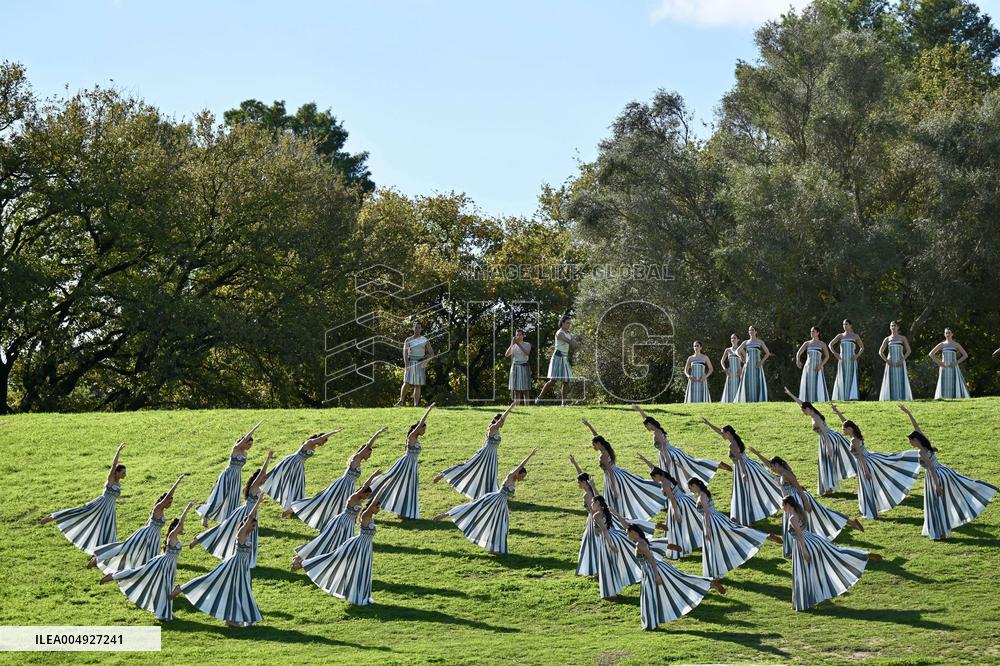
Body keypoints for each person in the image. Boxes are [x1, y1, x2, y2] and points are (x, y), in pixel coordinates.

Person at [899, 405, 997, 540]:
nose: (909, 443)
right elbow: (917, 428)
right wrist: (908, 413)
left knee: (936, 505)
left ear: (915, 440)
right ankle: (942, 531)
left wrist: (937, 485)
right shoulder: (925, 443)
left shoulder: (922, 451)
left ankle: (941, 533)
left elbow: (931, 469)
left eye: (910, 440)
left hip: (936, 476)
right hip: (944, 471)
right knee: (957, 489)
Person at [747, 448, 862, 557]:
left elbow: (798, 487)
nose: (772, 469)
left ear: (777, 465)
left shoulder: (787, 474)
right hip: (791, 500)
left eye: (773, 467)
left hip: (799, 499)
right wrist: (756, 453)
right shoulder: (781, 473)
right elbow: (768, 463)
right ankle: (850, 522)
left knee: (822, 514)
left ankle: (850, 522)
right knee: (819, 514)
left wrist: (806, 502)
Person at [100, 501, 195, 621]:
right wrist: (187, 508)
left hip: (170, 567)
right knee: (138, 573)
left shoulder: (175, 539)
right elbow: (180, 523)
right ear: (176, 529)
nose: (183, 528)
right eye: (181, 527)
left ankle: (166, 612)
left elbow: (180, 526)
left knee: (165, 588)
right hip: (161, 564)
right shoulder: (172, 536)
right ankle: (113, 576)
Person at [180, 495, 265, 627]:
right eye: (253, 526)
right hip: (234, 565)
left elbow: (251, 520)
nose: (254, 528)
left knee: (238, 591)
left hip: (242, 568)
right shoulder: (241, 533)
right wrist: (258, 503)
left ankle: (230, 619)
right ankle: (182, 588)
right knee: (211, 580)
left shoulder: (248, 535)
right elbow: (249, 517)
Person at [784, 495, 880, 611]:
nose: (782, 507)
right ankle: (862, 555)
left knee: (804, 573)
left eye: (783, 505)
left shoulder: (792, 518)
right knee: (835, 553)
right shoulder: (800, 512)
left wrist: (804, 551)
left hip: (804, 544)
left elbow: (799, 535)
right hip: (814, 540)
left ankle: (806, 602)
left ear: (788, 505)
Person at [433, 449, 538, 554]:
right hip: (494, 500)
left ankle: (494, 548)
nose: (522, 479)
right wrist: (530, 455)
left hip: (501, 506)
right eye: (522, 476)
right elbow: (521, 465)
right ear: (518, 473)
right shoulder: (511, 476)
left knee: (499, 526)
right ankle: (445, 514)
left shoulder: (514, 481)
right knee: (472, 508)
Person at [830, 404, 920, 519]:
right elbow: (846, 422)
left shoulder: (854, 441)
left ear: (850, 429)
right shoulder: (856, 436)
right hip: (868, 460)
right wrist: (837, 411)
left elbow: (861, 457)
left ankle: (870, 512)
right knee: (867, 486)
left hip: (865, 463)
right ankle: (868, 510)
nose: (843, 431)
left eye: (844, 429)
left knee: (866, 486)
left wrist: (865, 471)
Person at [625, 523, 721, 631]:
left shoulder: (639, 544)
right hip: (653, 569)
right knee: (680, 580)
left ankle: (650, 625)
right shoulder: (642, 541)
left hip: (651, 571)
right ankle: (709, 582)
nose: (626, 535)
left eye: (627, 533)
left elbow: (651, 558)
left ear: (633, 532)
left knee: (651, 595)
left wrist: (656, 576)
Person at [190, 450, 273, 568]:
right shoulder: (254, 486)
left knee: (249, 536)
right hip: (244, 513)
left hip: (252, 514)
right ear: (258, 478)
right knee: (224, 529)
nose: (265, 479)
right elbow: (262, 473)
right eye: (263, 477)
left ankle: (246, 561)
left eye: (265, 478)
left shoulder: (258, 488)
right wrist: (268, 459)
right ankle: (199, 539)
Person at [288, 428, 385, 528]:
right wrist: (377, 433)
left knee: (341, 507)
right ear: (364, 452)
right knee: (324, 500)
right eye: (369, 453)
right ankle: (295, 508)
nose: (369, 456)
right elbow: (368, 444)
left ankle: (335, 526)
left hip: (349, 487)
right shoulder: (356, 458)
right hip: (342, 485)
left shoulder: (359, 463)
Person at [42, 442, 127, 555]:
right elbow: (113, 465)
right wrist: (118, 452)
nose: (125, 475)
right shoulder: (110, 479)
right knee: (80, 512)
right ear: (116, 473)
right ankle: (53, 517)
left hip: (110, 509)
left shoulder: (119, 484)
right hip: (100, 504)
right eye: (123, 472)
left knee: (107, 529)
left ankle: (104, 553)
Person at [88, 475, 184, 575]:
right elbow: (168, 496)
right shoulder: (158, 507)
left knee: (149, 560)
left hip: (154, 538)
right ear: (165, 501)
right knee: (125, 548)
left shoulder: (161, 510)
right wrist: (177, 482)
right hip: (146, 534)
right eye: (169, 501)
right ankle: (97, 559)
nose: (170, 504)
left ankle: (136, 577)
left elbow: (149, 522)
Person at [301, 493, 384, 605]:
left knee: (364, 570)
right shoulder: (365, 515)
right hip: (359, 546)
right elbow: (371, 503)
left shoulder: (371, 519)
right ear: (372, 507)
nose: (379, 509)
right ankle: (305, 563)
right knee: (353, 566)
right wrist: (381, 488)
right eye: (377, 507)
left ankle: (362, 595)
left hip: (366, 548)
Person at [700, 418, 782, 525]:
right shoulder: (734, 439)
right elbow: (719, 432)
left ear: (728, 433)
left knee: (745, 493)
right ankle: (748, 516)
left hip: (743, 467)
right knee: (751, 490)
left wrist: (743, 473)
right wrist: (709, 424)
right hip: (746, 466)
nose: (722, 435)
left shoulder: (732, 444)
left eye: (724, 433)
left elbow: (740, 459)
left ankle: (747, 517)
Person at [291, 476, 379, 571]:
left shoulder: (359, 502)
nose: (367, 497)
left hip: (348, 526)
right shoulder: (353, 497)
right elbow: (365, 486)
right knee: (325, 541)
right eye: (366, 495)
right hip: (340, 523)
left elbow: (356, 516)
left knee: (341, 547)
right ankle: (300, 559)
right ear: (362, 492)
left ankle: (332, 566)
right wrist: (374, 475)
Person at [688, 478, 768, 584]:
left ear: (695, 485)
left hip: (712, 522)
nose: (690, 490)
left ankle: (714, 575)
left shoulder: (702, 496)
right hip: (715, 519)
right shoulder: (703, 494)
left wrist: (707, 530)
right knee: (716, 545)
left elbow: (707, 513)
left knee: (714, 546)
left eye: (690, 488)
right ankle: (714, 574)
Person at [583, 418, 665, 521]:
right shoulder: (606, 448)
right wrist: (589, 426)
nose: (593, 446)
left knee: (615, 501)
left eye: (594, 444)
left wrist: (613, 489)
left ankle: (618, 520)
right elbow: (597, 437)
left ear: (599, 444)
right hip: (619, 474)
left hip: (613, 478)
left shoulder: (603, 456)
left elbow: (610, 472)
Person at [784, 387, 857, 497]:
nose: (803, 413)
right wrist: (790, 394)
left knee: (826, 463)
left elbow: (825, 433)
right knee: (826, 463)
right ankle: (828, 488)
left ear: (808, 409)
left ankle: (828, 489)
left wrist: (828, 447)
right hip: (826, 439)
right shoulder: (812, 413)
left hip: (829, 439)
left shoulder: (816, 418)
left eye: (804, 410)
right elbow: (801, 403)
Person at [633, 404, 729, 485]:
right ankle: (716, 465)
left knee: (675, 473)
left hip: (668, 454)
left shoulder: (656, 433)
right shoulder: (656, 429)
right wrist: (640, 410)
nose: (646, 428)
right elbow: (647, 419)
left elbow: (662, 445)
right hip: (672, 451)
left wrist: (666, 459)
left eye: (646, 426)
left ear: (650, 424)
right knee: (691, 464)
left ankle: (714, 466)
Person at [434, 404, 514, 499]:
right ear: (497, 420)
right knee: (467, 466)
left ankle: (489, 494)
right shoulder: (492, 428)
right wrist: (510, 408)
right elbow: (501, 420)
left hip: (492, 455)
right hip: (485, 454)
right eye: (502, 421)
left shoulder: (497, 429)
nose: (503, 423)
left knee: (490, 474)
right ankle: (443, 474)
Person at [369, 404, 434, 519]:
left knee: (407, 487)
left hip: (412, 466)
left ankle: (402, 512)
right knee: (391, 481)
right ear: (418, 428)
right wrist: (428, 410)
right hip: (405, 464)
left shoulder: (416, 439)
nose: (424, 430)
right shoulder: (412, 437)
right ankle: (372, 500)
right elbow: (420, 423)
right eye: (423, 428)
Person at [635, 454, 704, 560]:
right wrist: (645, 459)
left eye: (653, 478)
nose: (653, 480)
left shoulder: (665, 484)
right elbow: (654, 468)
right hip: (685, 500)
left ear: (657, 476)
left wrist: (676, 513)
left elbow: (672, 499)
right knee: (692, 523)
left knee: (676, 528)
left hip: (677, 504)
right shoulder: (665, 477)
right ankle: (693, 543)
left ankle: (679, 549)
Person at [197, 422, 260, 527]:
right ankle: (205, 516)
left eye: (251, 445)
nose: (249, 447)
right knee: (219, 498)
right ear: (244, 442)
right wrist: (254, 429)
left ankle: (229, 521)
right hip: (228, 475)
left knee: (233, 499)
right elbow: (244, 439)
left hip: (237, 477)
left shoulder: (245, 453)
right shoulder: (235, 449)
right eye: (248, 444)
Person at [264, 430, 340, 512]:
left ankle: (293, 505)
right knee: (290, 482)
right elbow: (322, 437)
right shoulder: (310, 442)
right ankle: (289, 504)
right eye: (323, 442)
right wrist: (334, 432)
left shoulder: (314, 446)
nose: (323, 444)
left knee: (298, 485)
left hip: (299, 465)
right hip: (293, 462)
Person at [536, 315, 582, 406]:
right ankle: (539, 398)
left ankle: (563, 403)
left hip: (564, 358)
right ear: (562, 323)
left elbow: (574, 342)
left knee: (566, 381)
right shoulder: (559, 333)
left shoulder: (568, 333)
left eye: (570, 323)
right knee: (553, 381)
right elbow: (569, 341)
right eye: (567, 323)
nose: (569, 325)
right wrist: (575, 343)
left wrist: (581, 346)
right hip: (557, 357)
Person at [396, 322, 434, 407]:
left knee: (418, 384)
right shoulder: (408, 340)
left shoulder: (425, 340)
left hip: (420, 363)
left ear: (421, 329)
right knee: (406, 383)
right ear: (413, 328)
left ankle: (416, 405)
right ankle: (401, 401)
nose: (417, 329)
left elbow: (432, 353)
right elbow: (405, 353)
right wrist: (407, 364)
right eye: (416, 327)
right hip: (410, 362)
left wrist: (426, 361)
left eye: (419, 328)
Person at [930, 328, 971, 399]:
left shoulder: (956, 344)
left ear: (952, 334)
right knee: (944, 382)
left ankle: (956, 397)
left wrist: (956, 362)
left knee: (954, 382)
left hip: (954, 367)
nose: (948, 334)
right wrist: (939, 362)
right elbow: (931, 354)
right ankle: (943, 398)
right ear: (944, 334)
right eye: (946, 333)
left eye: (949, 333)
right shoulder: (942, 344)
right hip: (944, 367)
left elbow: (965, 355)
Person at [736, 325, 772, 402]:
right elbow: (737, 351)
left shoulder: (760, 342)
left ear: (756, 331)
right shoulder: (746, 342)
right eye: (749, 330)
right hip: (748, 366)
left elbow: (767, 353)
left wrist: (761, 362)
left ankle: (757, 399)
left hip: (757, 366)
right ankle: (748, 400)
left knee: (757, 382)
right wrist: (742, 358)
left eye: (752, 330)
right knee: (748, 383)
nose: (750, 332)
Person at [830, 320, 864, 401]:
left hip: (851, 360)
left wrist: (857, 355)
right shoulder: (840, 336)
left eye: (846, 324)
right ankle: (841, 397)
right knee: (842, 377)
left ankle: (850, 397)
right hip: (842, 360)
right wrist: (835, 353)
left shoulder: (855, 336)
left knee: (851, 377)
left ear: (851, 325)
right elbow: (830, 344)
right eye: (843, 324)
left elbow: (862, 347)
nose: (844, 325)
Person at [878, 321, 913, 401]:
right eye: (891, 326)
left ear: (898, 327)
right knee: (891, 379)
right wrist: (887, 361)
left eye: (894, 326)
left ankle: (902, 397)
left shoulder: (902, 338)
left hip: (900, 361)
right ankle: (891, 398)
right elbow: (880, 352)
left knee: (901, 378)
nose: (893, 327)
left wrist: (902, 360)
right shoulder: (887, 339)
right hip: (890, 362)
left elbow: (909, 351)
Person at [795, 326, 830, 402]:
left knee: (817, 383)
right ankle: (808, 400)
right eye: (811, 331)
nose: (811, 333)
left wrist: (821, 365)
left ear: (818, 333)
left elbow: (827, 356)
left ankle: (818, 400)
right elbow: (799, 352)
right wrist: (798, 360)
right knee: (808, 383)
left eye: (813, 331)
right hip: (808, 367)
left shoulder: (822, 344)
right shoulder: (807, 343)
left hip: (818, 367)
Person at [506, 330, 533, 405]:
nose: (518, 336)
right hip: (515, 367)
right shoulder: (514, 346)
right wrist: (512, 344)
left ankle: (527, 406)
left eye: (520, 335)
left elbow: (527, 353)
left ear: (523, 336)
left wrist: (518, 344)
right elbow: (507, 354)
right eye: (517, 335)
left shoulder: (527, 344)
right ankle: (517, 406)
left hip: (524, 366)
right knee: (516, 390)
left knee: (525, 389)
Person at [719, 333, 745, 403]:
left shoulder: (741, 349)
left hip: (738, 373)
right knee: (730, 388)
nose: (733, 339)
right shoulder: (728, 350)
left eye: (734, 338)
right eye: (731, 338)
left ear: (738, 340)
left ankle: (739, 402)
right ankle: (730, 403)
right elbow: (722, 361)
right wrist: (725, 369)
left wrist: (742, 370)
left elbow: (746, 361)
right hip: (730, 372)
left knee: (738, 387)